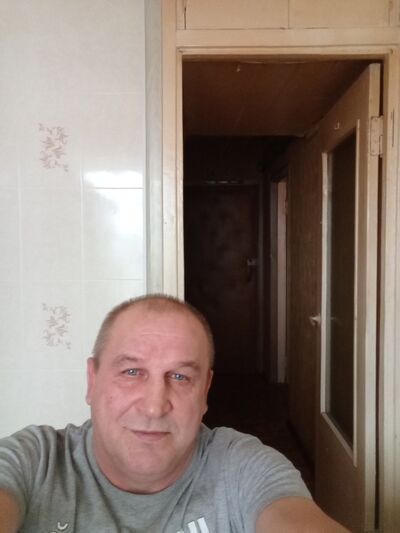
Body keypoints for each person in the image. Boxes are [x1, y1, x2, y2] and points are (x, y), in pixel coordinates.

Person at [0, 294, 349, 532]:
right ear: (93, 380)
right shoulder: (35, 462)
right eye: (132, 372)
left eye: (180, 377)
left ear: (205, 391)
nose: (154, 407)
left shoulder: (242, 467)